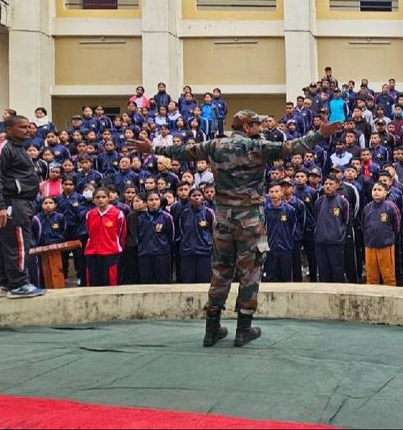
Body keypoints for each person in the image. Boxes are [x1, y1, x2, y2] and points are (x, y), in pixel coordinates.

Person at [127, 110, 341, 348]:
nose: (260, 127)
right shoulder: (257, 147)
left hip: (222, 220)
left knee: (220, 272)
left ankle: (211, 330)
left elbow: (182, 151)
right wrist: (320, 134)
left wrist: (151, 148)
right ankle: (243, 330)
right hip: (250, 221)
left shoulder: (215, 145)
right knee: (250, 273)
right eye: (257, 124)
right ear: (247, 126)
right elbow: (292, 147)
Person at [0, 115, 46, 298]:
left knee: (7, 244)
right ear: (9, 130)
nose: (28, 130)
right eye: (22, 127)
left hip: (22, 203)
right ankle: (19, 285)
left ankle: (7, 284)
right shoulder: (1, 148)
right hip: (12, 203)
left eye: (29, 126)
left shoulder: (18, 147)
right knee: (18, 243)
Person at [84, 187, 127, 286]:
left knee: (110, 283)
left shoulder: (118, 214)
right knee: (93, 283)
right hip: (92, 253)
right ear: (94, 199)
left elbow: (121, 233)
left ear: (108, 198)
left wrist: (116, 247)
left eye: (103, 197)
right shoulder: (90, 214)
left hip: (111, 253)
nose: (100, 200)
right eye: (97, 197)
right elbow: (89, 231)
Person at [361, 182, 400, 286]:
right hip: (370, 245)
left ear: (386, 192)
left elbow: (396, 226)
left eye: (379, 190)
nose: (376, 192)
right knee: (371, 275)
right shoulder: (367, 208)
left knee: (388, 275)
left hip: (386, 246)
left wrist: (389, 238)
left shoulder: (391, 207)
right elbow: (363, 225)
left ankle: (390, 294)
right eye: (374, 190)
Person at [313, 175, 350, 283]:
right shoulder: (319, 201)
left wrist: (340, 234)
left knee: (337, 271)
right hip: (320, 242)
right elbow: (316, 217)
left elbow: (346, 221)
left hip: (336, 243)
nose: (328, 186)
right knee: (323, 272)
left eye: (331, 184)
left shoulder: (343, 202)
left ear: (337, 185)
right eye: (326, 184)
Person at [177, 188, 215, 284]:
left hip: (204, 253)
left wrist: (209, 245)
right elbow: (182, 231)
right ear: (189, 198)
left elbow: (214, 231)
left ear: (203, 198)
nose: (197, 197)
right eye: (194, 195)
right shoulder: (184, 213)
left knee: (205, 283)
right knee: (188, 283)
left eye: (199, 195)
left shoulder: (208, 213)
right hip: (187, 254)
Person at [136, 191, 175, 284]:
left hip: (162, 254)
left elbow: (171, 236)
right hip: (145, 254)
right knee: (146, 282)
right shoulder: (141, 218)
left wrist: (164, 247)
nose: (154, 202)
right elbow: (138, 236)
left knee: (163, 282)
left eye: (156, 199)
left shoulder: (167, 217)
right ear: (146, 202)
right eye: (151, 200)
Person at [263, 182, 297, 283]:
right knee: (271, 278)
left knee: (286, 278)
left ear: (281, 193)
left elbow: (293, 227)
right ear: (268, 194)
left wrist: (288, 241)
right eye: (271, 192)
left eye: (277, 191)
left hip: (285, 249)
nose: (274, 194)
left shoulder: (289, 210)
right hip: (270, 249)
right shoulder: (265, 210)